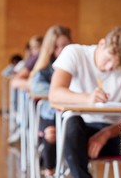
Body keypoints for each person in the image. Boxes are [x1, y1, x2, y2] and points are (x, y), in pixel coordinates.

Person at [49, 26, 121, 178]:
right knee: (72, 122)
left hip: (114, 131)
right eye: (109, 57)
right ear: (102, 43)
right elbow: (54, 93)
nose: (111, 67)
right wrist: (87, 98)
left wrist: (105, 134)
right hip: (81, 131)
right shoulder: (75, 53)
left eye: (119, 64)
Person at [28, 25, 72, 176]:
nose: (60, 50)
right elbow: (36, 88)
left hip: (70, 112)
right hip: (49, 114)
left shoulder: (75, 65)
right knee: (51, 133)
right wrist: (61, 91)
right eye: (56, 46)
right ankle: (50, 170)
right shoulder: (44, 70)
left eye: (65, 45)